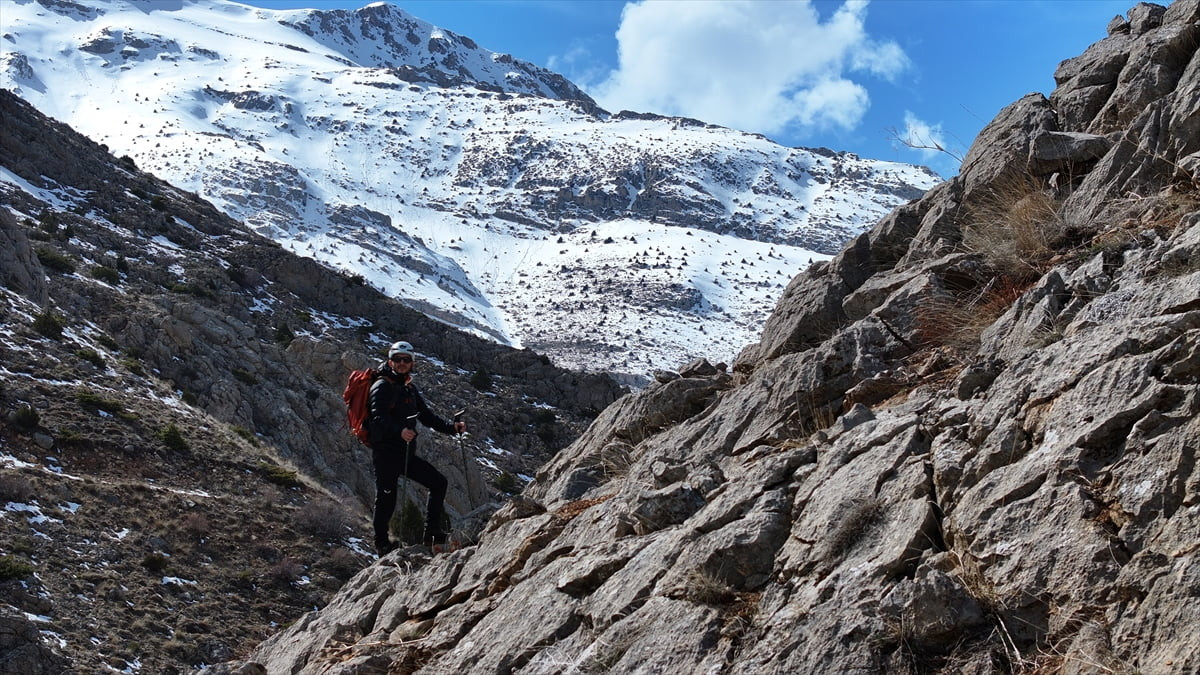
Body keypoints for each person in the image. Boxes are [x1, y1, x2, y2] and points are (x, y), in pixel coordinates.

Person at [367, 340, 466, 555]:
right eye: (397, 359)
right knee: (386, 499)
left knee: (439, 482)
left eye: (406, 360)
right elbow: (377, 417)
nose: (402, 363)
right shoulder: (382, 386)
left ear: (412, 362)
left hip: (405, 454)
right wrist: (399, 431)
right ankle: (382, 545)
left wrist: (452, 428)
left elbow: (427, 417)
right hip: (386, 455)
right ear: (390, 360)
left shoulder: (409, 388)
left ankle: (431, 533)